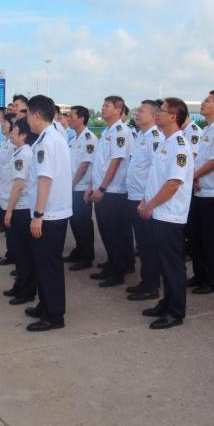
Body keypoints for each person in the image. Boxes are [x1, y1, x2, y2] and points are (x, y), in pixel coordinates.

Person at [138, 98, 194, 329]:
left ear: (173, 116)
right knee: (164, 263)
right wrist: (145, 200)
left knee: (173, 265)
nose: (157, 114)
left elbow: (173, 184)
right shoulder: (165, 141)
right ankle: (167, 302)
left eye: (161, 111)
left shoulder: (179, 145)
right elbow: (156, 178)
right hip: (158, 212)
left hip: (169, 215)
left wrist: (150, 205)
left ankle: (175, 311)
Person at [24, 95, 73, 332]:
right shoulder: (53, 137)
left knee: (49, 266)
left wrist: (38, 214)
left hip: (49, 214)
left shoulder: (47, 141)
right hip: (54, 212)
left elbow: (45, 179)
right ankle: (45, 304)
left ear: (36, 115)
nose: (26, 120)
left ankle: (54, 315)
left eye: (27, 115)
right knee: (44, 263)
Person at [85, 96, 132, 287]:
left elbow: (116, 161)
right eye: (103, 105)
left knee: (115, 234)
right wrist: (92, 186)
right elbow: (99, 163)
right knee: (106, 232)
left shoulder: (121, 131)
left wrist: (102, 188)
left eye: (107, 106)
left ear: (118, 110)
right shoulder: (107, 131)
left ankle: (118, 272)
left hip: (112, 191)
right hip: (102, 188)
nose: (102, 108)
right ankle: (112, 265)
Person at [188, 90, 214, 295]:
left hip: (213, 193)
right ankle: (200, 275)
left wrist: (193, 176)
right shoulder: (207, 129)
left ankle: (213, 281)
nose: (203, 103)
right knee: (196, 237)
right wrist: (195, 177)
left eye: (207, 101)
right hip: (200, 191)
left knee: (211, 240)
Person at [125, 100, 162, 301]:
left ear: (154, 116)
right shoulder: (141, 135)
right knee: (142, 243)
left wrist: (147, 201)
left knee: (148, 245)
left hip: (144, 199)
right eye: (137, 110)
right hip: (135, 196)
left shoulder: (155, 137)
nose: (137, 113)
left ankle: (151, 286)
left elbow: (157, 173)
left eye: (141, 111)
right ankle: (145, 281)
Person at [1, 118, 39, 305]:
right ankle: (20, 284)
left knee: (23, 253)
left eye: (14, 129)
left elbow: (19, 185)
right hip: (16, 207)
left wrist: (9, 211)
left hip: (21, 209)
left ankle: (27, 290)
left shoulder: (24, 154)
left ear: (23, 135)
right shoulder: (19, 152)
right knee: (19, 251)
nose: (11, 132)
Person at [64, 105, 98, 271]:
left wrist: (71, 185)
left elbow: (84, 166)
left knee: (83, 222)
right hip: (72, 187)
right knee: (75, 221)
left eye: (71, 116)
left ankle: (87, 256)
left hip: (81, 188)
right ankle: (79, 249)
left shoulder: (89, 138)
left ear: (81, 119)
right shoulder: (72, 138)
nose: (68, 119)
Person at [0, 113, 17, 265]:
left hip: (11, 191)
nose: (2, 125)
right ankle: (10, 254)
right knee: (9, 229)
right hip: (3, 189)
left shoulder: (15, 146)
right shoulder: (6, 142)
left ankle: (14, 257)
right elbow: (1, 169)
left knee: (13, 229)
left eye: (5, 123)